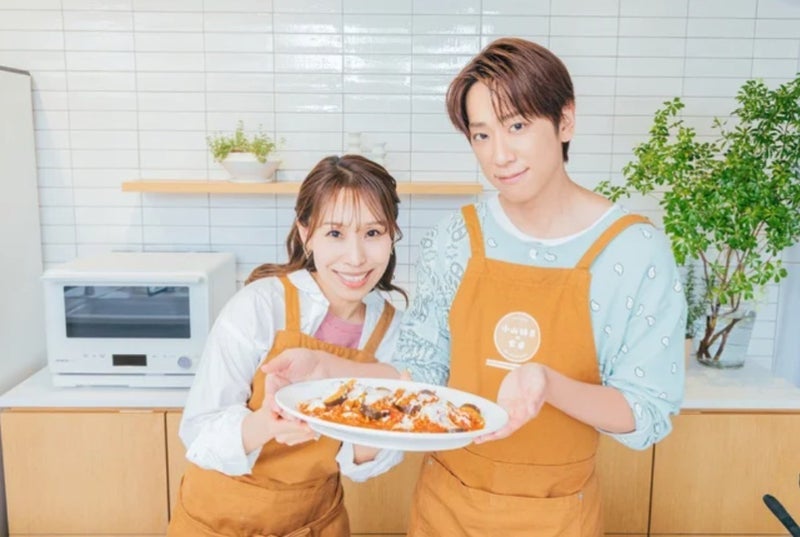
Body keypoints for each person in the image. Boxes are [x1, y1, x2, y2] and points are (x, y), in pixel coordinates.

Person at [265, 37, 686, 537]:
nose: (499, 155)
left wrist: (548, 384)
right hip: (447, 509)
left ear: (565, 121)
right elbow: (422, 374)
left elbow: (646, 411)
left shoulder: (634, 251)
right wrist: (327, 367)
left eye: (517, 126)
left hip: (557, 516)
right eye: (481, 135)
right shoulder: (456, 238)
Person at [167, 154, 407, 537]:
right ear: (305, 233)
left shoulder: (392, 328)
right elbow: (199, 431)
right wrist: (266, 423)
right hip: (219, 520)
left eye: (373, 233)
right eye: (335, 234)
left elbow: (366, 461)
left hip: (316, 521)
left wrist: (377, 427)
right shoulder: (261, 305)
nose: (356, 257)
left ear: (391, 235)